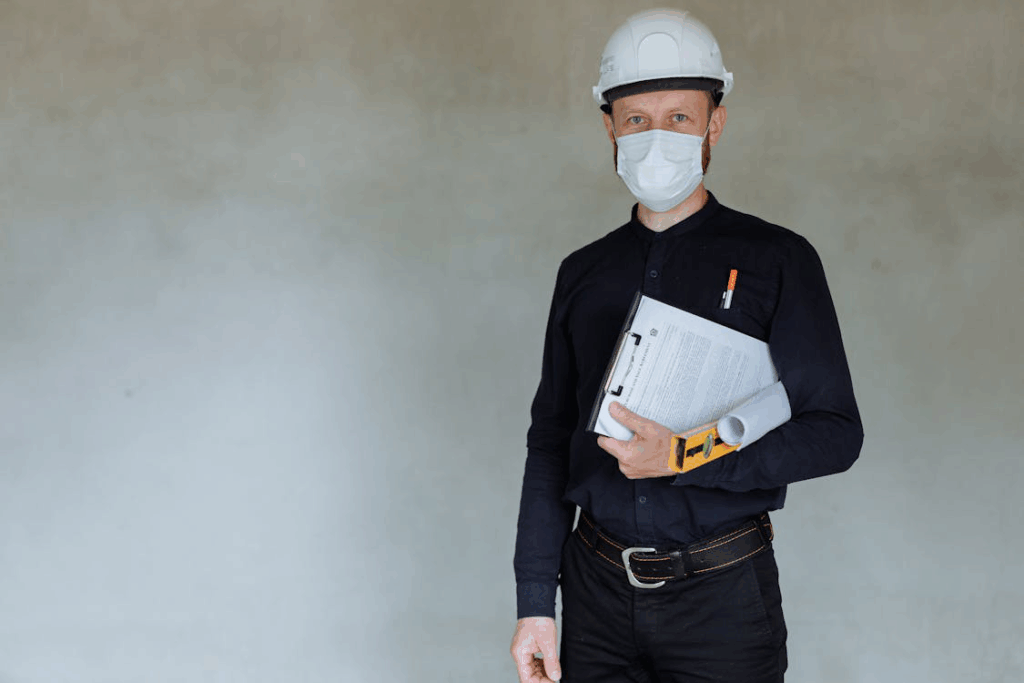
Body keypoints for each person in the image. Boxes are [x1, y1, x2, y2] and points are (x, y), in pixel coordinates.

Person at [509, 8, 864, 683]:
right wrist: (536, 604)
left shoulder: (778, 260)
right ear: (609, 125)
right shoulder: (583, 272)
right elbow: (549, 442)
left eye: (679, 117)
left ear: (715, 123)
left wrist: (686, 455)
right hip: (595, 595)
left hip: (722, 599)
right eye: (637, 119)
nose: (656, 137)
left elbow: (835, 432)